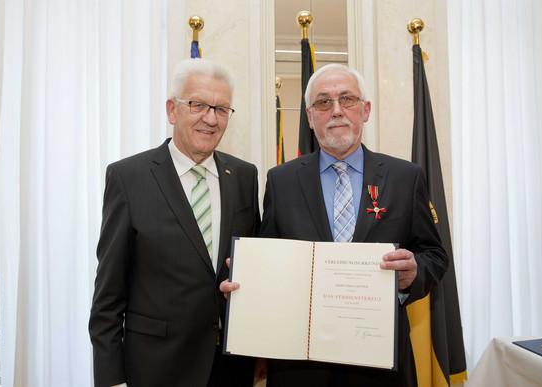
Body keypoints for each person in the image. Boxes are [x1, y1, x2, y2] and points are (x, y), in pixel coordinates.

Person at [221, 63, 448, 387]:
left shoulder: (405, 178)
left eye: (347, 99)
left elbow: (435, 254)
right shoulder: (281, 180)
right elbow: (268, 259)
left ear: (365, 109)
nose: (337, 111)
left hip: (381, 363)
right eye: (324, 102)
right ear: (310, 117)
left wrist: (414, 272)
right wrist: (247, 283)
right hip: (299, 366)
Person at [89, 58, 261, 387]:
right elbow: (107, 298)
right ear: (172, 110)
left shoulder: (243, 176)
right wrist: (112, 380)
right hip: (156, 369)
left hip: (230, 369)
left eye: (222, 109)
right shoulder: (128, 178)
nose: (210, 119)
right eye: (198, 104)